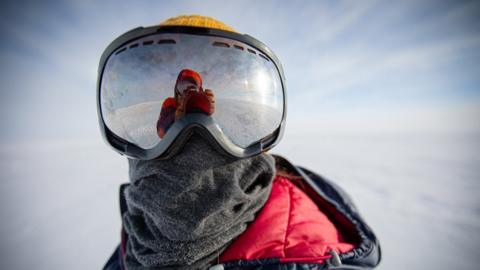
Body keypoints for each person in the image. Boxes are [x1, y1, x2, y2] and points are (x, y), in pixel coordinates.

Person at [98, 15, 381, 270]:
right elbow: (163, 132)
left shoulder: (315, 256)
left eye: (193, 89)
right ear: (175, 90)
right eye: (184, 89)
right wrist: (178, 116)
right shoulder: (134, 238)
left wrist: (204, 112)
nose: (193, 138)